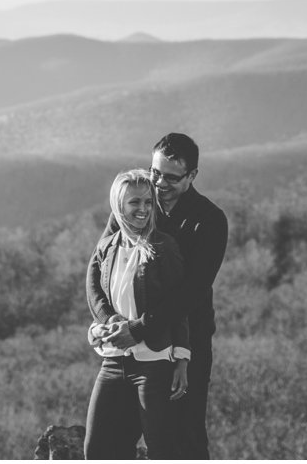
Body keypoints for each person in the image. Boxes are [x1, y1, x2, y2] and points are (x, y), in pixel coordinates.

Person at [89, 133, 228, 459]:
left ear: (192, 176)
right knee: (109, 443)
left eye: (171, 177)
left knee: (182, 442)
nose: (159, 183)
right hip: (124, 348)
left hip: (185, 343)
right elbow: (97, 269)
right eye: (156, 173)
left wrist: (137, 328)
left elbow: (191, 292)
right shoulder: (135, 205)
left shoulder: (208, 220)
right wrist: (108, 321)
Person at [83, 169, 191, 460]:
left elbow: (177, 304)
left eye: (147, 202)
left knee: (160, 450)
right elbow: (96, 290)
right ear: (119, 206)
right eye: (134, 203)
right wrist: (106, 322)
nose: (143, 209)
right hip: (113, 361)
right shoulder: (107, 247)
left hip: (154, 364)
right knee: (96, 449)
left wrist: (182, 357)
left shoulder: (163, 246)